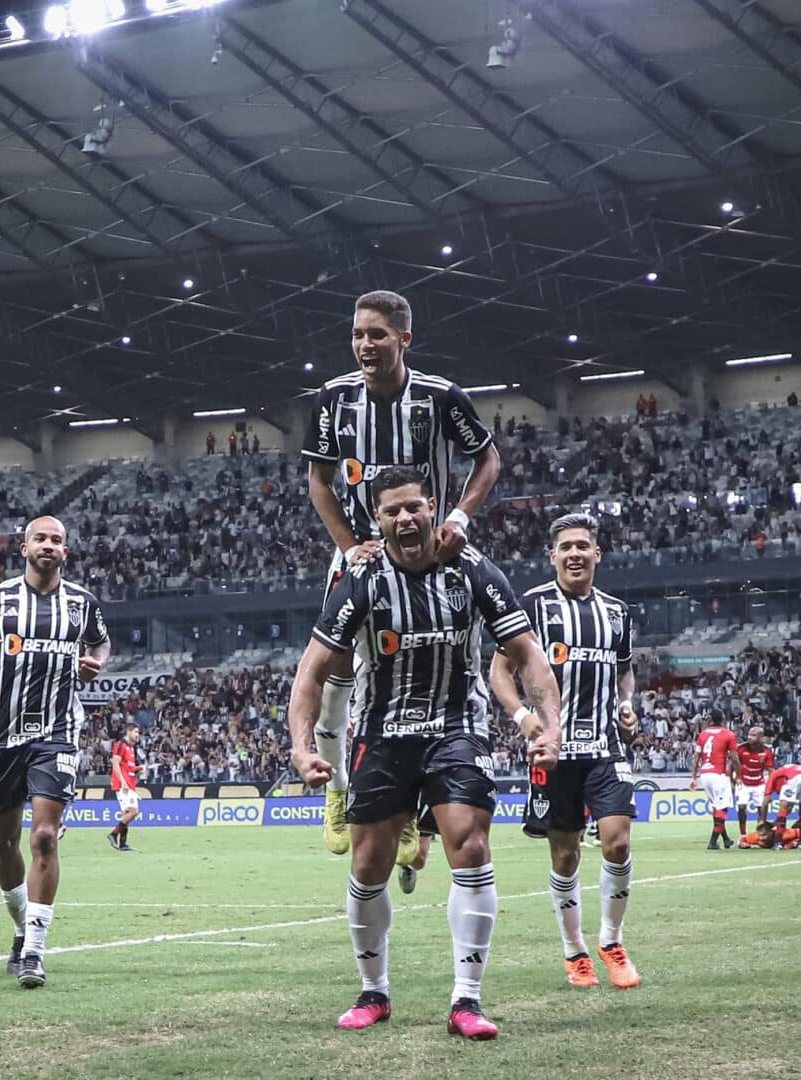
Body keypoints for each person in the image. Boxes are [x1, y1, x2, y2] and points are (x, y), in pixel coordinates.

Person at [288, 467, 560, 1040]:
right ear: (378, 520)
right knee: (369, 864)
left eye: (413, 507)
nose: (405, 518)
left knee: (471, 843)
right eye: (392, 511)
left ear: (432, 507)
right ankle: (374, 991)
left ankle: (467, 1000)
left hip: (457, 727)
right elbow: (311, 670)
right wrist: (301, 745)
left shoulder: (472, 570)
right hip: (383, 734)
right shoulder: (360, 581)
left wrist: (549, 726)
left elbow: (527, 654)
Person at [302, 289, 502, 862]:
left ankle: (420, 797)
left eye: (376, 335)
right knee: (337, 661)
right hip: (364, 552)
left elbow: (487, 457)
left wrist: (460, 516)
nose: (364, 345)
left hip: (432, 551)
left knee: (437, 659)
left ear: (403, 339)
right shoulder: (335, 399)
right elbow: (320, 481)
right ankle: (341, 790)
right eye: (358, 334)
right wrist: (351, 546)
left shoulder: (440, 397)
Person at [0, 515, 110, 989]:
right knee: (3, 843)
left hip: (57, 734)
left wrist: (94, 665)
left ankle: (35, 952)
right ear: (24, 548)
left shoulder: (82, 603)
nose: (48, 545)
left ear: (66, 551)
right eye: (40, 538)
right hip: (0, 737)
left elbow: (102, 646)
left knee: (44, 836)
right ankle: (22, 931)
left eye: (57, 541)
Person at [490, 512, 641, 990]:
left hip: (605, 746)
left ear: (597, 554)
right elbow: (498, 672)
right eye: (566, 547)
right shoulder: (530, 605)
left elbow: (625, 670)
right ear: (552, 556)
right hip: (553, 752)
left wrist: (627, 703)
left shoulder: (617, 612)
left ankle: (612, 941)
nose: (575, 553)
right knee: (565, 856)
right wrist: (522, 718)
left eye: (583, 545)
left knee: (617, 840)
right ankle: (574, 952)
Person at [689, 714, 740, 849]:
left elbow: (696, 757)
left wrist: (693, 776)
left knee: (716, 807)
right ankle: (712, 842)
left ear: (710, 721)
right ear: (724, 720)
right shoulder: (728, 734)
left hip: (705, 775)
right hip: (719, 775)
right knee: (722, 809)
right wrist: (739, 776)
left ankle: (726, 839)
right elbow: (734, 758)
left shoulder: (703, 734)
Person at [734, 725, 775, 835]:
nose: (749, 737)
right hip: (743, 783)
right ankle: (743, 835)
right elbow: (732, 764)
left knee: (762, 809)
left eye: (753, 735)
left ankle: (760, 833)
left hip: (759, 783)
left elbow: (771, 771)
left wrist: (770, 790)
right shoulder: (741, 748)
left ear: (761, 737)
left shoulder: (767, 751)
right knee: (741, 807)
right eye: (749, 734)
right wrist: (736, 778)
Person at [108, 724, 141, 852]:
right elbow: (115, 762)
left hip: (130, 783)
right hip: (123, 784)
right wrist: (122, 781)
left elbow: (129, 767)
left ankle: (123, 843)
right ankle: (113, 834)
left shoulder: (131, 748)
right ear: (128, 731)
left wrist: (139, 769)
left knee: (127, 813)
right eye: (135, 732)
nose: (137, 735)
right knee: (133, 811)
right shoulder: (121, 744)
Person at [764, 761, 801, 838]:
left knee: (783, 806)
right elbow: (789, 807)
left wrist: (762, 820)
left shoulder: (775, 773)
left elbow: (766, 799)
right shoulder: (793, 769)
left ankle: (778, 843)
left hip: (795, 777)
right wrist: (775, 823)